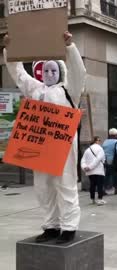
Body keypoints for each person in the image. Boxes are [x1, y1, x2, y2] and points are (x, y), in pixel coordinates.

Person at [3, 31, 86, 244]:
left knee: (65, 185)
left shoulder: (69, 91)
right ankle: (51, 225)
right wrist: (10, 50)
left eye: (53, 70)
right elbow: (18, 73)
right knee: (43, 187)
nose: (49, 73)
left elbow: (79, 72)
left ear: (60, 72)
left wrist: (70, 47)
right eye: (45, 70)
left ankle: (69, 227)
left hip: (63, 147)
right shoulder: (36, 89)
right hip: (39, 146)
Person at [81, 136, 107, 205]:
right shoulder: (100, 149)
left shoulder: (87, 150)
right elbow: (98, 160)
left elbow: (83, 160)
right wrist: (90, 167)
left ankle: (92, 200)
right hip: (99, 170)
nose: (100, 142)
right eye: (99, 140)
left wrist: (85, 167)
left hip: (90, 172)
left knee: (92, 185)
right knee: (100, 185)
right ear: (96, 141)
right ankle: (100, 199)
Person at [102, 128, 117, 195]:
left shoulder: (105, 142)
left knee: (107, 175)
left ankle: (103, 189)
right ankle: (116, 189)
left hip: (106, 161)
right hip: (114, 161)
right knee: (116, 175)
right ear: (116, 135)